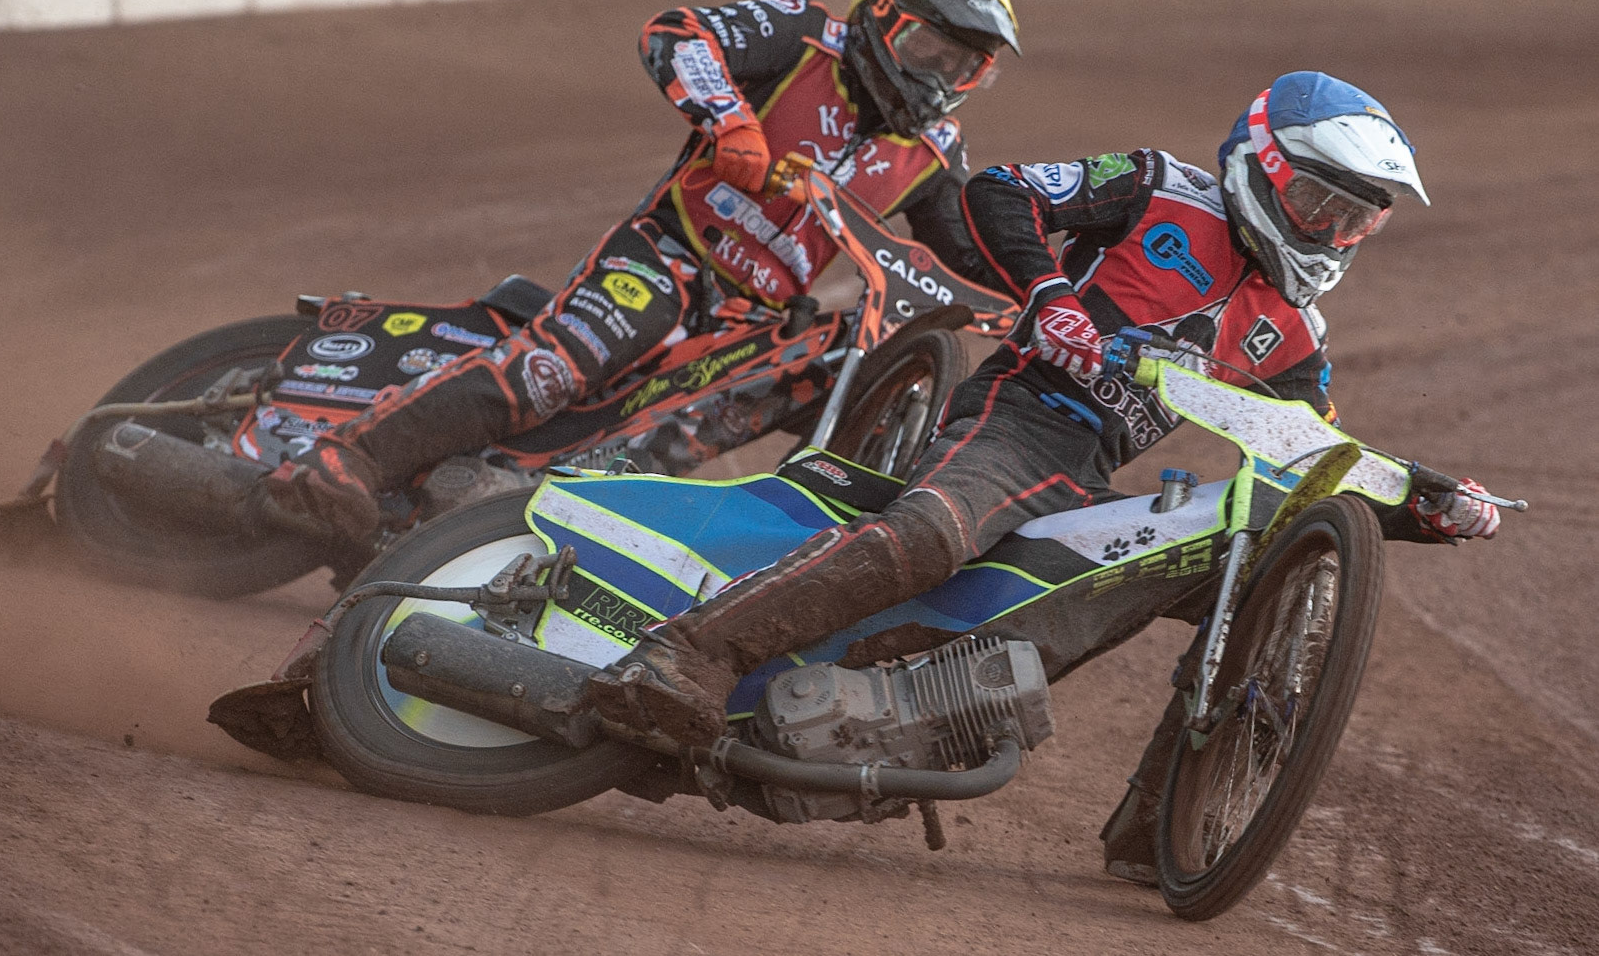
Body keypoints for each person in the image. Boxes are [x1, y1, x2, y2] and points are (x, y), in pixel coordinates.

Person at [584, 70, 1503, 881]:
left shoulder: (1296, 337)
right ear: (1259, 164)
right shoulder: (1161, 190)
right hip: (1021, 418)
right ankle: (687, 657)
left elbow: (1313, 460)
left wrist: (1431, 504)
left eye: (1356, 218)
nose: (1332, 232)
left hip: (1088, 473)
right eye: (1317, 203)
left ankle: (1156, 827)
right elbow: (1001, 191)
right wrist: (1051, 296)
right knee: (934, 535)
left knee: (1262, 564)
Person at [263, 0, 1021, 543]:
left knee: (732, 416)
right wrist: (731, 120)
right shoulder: (801, 35)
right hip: (668, 258)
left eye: (964, 66)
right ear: (881, 15)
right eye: (930, 50)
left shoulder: (935, 154)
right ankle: (350, 457)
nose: (940, 78)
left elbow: (964, 254)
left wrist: (1043, 304)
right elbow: (677, 33)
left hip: (752, 317)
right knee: (557, 371)